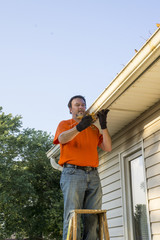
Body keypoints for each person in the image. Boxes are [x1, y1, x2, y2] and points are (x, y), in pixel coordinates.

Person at [53, 95, 112, 240]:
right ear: (70, 109)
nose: (81, 107)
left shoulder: (93, 129)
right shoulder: (65, 124)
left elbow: (108, 147)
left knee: (93, 217)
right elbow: (62, 139)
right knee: (73, 216)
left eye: (83, 105)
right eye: (77, 105)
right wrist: (80, 127)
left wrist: (103, 126)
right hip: (72, 173)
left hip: (93, 175)